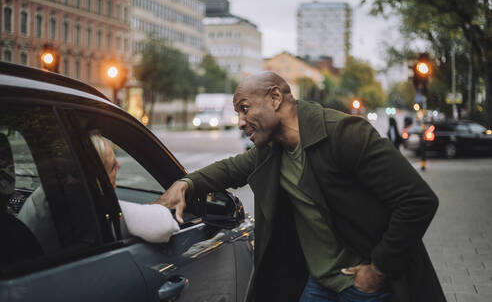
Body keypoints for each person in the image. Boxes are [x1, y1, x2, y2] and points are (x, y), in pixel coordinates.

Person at [155, 72, 445, 302]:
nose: (241, 122)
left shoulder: (346, 135)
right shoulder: (273, 149)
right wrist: (185, 183)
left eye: (244, 109)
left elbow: (418, 200)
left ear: (275, 98)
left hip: (365, 286)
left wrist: (378, 270)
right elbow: (232, 168)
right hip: (319, 283)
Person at [18, 135, 178, 252]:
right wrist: (161, 204)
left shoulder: (42, 196)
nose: (119, 165)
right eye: (111, 166)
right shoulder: (88, 207)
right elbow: (164, 225)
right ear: (94, 177)